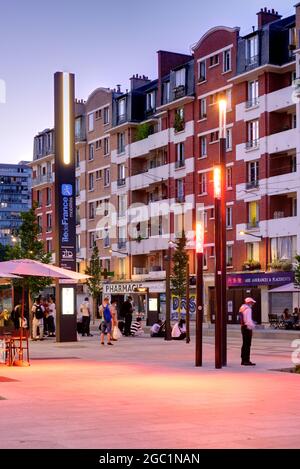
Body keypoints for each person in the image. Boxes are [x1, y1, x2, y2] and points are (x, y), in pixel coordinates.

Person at [239, 297, 256, 366]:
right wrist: (253, 326)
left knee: (244, 344)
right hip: (247, 328)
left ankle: (243, 360)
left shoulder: (242, 308)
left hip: (243, 327)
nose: (252, 304)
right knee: (248, 344)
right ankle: (247, 360)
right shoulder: (248, 309)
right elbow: (248, 320)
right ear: (249, 303)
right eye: (252, 303)